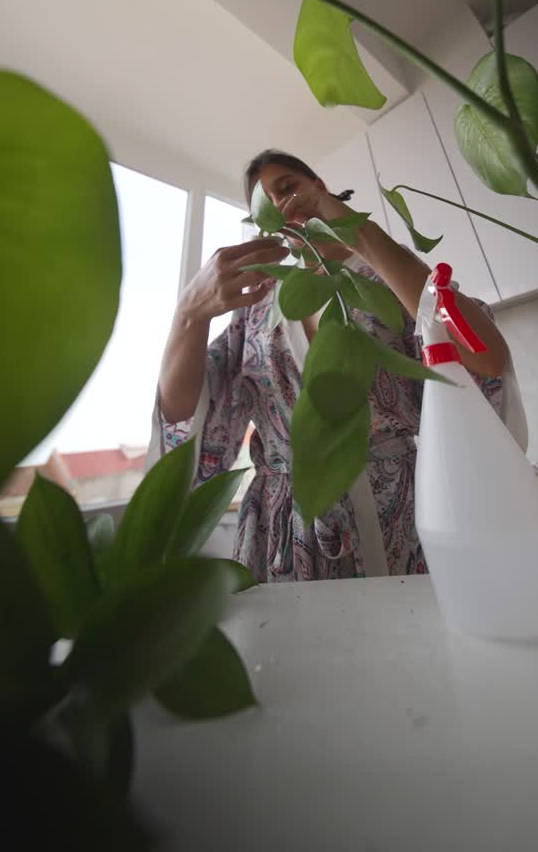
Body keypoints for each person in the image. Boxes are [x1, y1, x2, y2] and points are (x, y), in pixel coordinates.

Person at [151, 149, 515, 583]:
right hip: (283, 523)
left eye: (287, 187)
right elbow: (188, 417)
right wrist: (188, 314)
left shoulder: (387, 273)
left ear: (319, 186)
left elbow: (486, 359)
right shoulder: (259, 304)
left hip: (399, 511)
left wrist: (359, 233)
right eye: (264, 205)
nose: (282, 206)